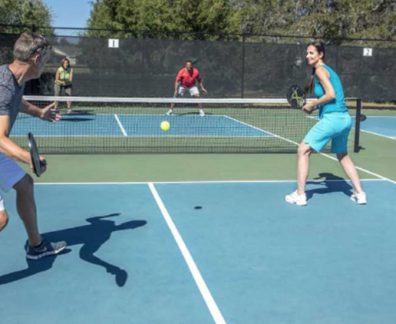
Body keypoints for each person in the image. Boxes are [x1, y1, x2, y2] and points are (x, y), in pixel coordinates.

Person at [0, 32, 67, 259]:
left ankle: (36, 246)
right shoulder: (4, 85)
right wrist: (29, 158)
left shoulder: (13, 79)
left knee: (25, 185)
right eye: (47, 59)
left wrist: (39, 112)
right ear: (36, 58)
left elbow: (15, 102)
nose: (47, 64)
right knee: (1, 220)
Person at [285, 41, 367, 206]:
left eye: (311, 53)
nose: (308, 56)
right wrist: (315, 107)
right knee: (342, 155)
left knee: (303, 150)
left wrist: (312, 104)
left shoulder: (321, 71)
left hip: (333, 120)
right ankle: (360, 193)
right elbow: (331, 99)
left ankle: (300, 195)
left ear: (320, 54)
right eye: (307, 53)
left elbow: (331, 94)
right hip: (344, 119)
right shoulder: (328, 71)